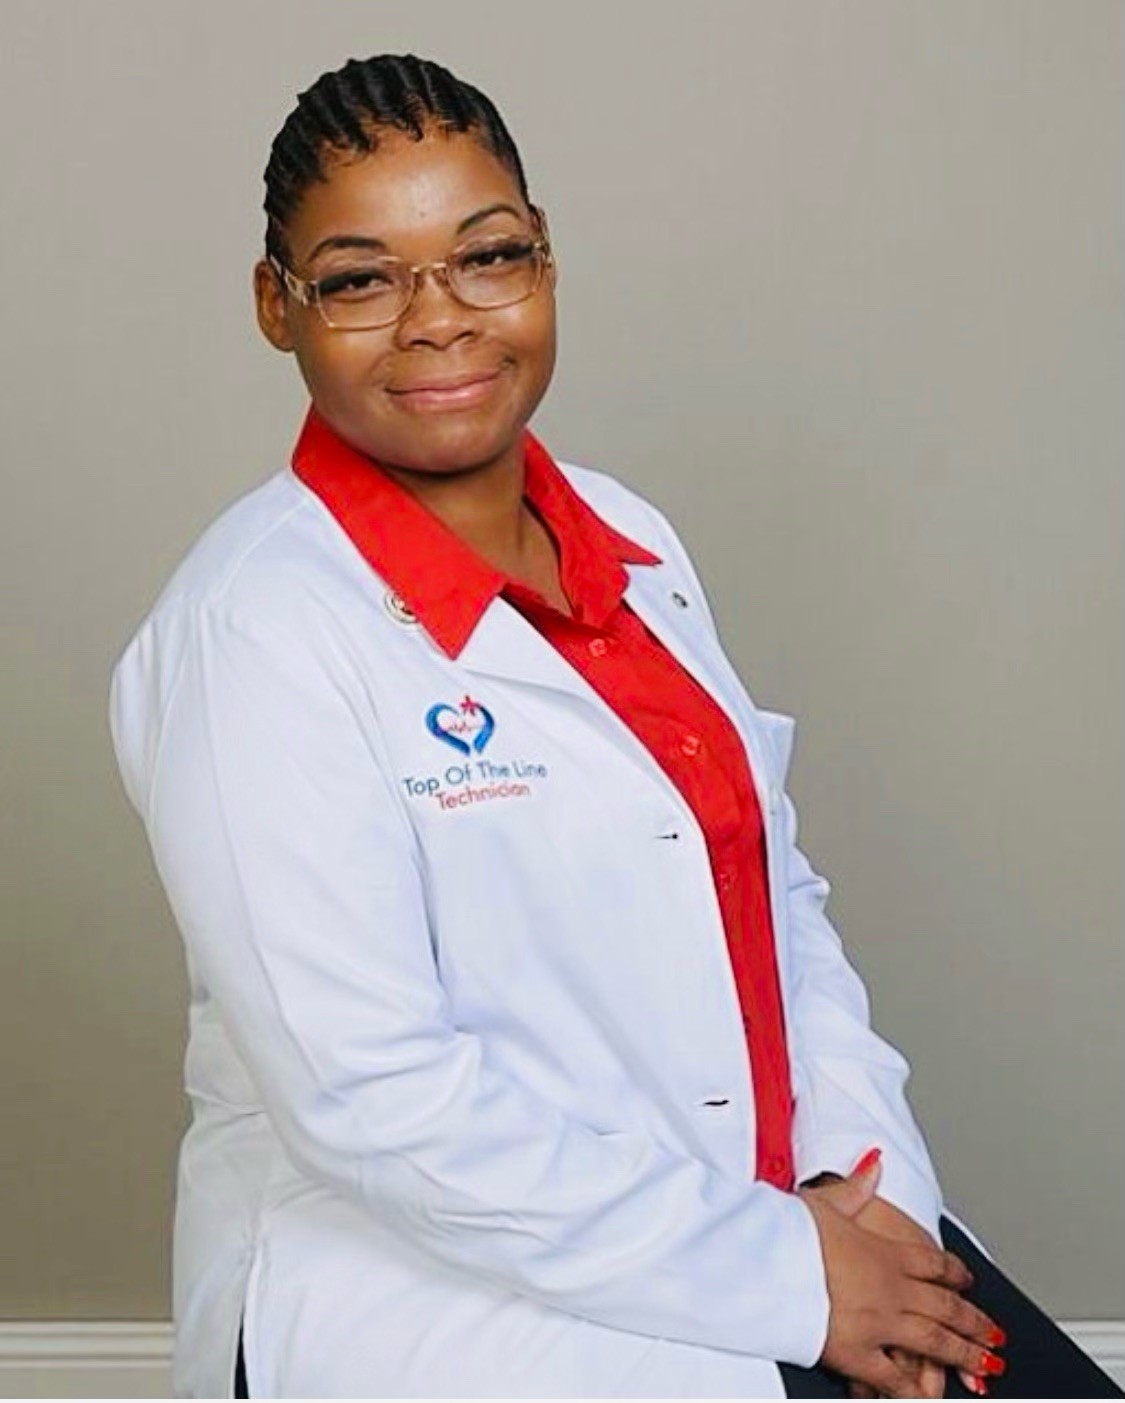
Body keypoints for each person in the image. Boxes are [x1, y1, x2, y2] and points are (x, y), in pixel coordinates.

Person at [108, 53, 1121, 1400]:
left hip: (755, 1213)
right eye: (359, 280)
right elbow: (375, 1104)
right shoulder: (252, 634)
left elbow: (772, 891)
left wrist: (860, 1176)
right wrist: (783, 1272)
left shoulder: (629, 540)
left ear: (543, 259)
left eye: (487, 257)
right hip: (436, 1306)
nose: (437, 320)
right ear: (273, 305)